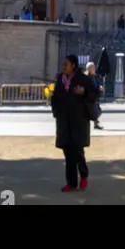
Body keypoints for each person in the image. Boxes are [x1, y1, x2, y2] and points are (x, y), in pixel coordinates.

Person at [51, 54, 97, 192]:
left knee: (78, 151)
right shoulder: (60, 79)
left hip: (78, 121)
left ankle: (83, 175)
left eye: (66, 64)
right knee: (67, 152)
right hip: (64, 121)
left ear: (73, 66)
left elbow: (94, 95)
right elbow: (55, 98)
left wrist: (84, 92)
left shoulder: (83, 79)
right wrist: (56, 112)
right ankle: (71, 183)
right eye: (63, 64)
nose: (63, 66)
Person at [86, 61, 103, 129]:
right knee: (96, 111)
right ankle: (95, 123)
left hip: (95, 96)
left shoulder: (95, 75)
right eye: (93, 67)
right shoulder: (87, 76)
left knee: (98, 111)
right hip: (90, 97)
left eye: (94, 67)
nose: (94, 68)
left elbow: (97, 84)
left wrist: (99, 87)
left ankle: (95, 122)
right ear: (89, 69)